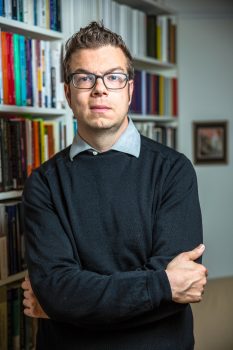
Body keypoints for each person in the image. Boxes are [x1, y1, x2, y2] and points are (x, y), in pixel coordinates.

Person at [21, 21, 207, 350]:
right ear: (67, 92)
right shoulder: (43, 183)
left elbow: (185, 289)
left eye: (114, 77)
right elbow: (58, 291)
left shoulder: (174, 171)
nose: (99, 89)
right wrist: (161, 285)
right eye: (84, 78)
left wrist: (66, 307)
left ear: (130, 90)